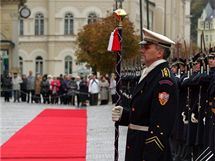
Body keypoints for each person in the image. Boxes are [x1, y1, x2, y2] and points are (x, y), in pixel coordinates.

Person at [112, 28, 178, 161]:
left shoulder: (164, 80)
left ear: (160, 52)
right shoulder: (150, 73)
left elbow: (161, 124)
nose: (141, 50)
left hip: (148, 151)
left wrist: (150, 156)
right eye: (142, 46)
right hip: (137, 145)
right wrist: (124, 115)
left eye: (146, 47)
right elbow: (143, 114)